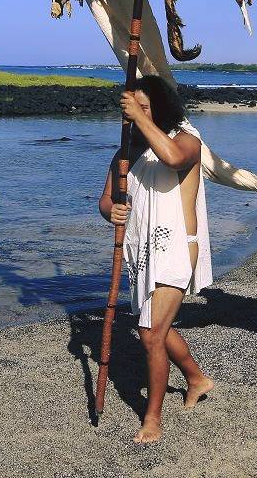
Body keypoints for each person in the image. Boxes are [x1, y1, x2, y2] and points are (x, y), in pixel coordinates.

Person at [97, 75, 214, 444]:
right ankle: (197, 378)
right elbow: (105, 200)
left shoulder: (186, 139)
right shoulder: (126, 151)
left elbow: (174, 158)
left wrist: (141, 119)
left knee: (149, 334)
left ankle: (153, 419)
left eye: (144, 108)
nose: (135, 116)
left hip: (178, 246)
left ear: (159, 107)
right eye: (132, 109)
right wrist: (111, 211)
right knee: (156, 327)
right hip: (143, 252)